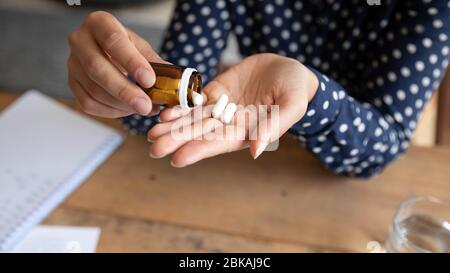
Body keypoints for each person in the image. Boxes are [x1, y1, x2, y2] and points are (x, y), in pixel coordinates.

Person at [67, 0, 450, 177]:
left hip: (329, 183)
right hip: (240, 169)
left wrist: (314, 97)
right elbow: (175, 106)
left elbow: (382, 148)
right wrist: (130, 84)